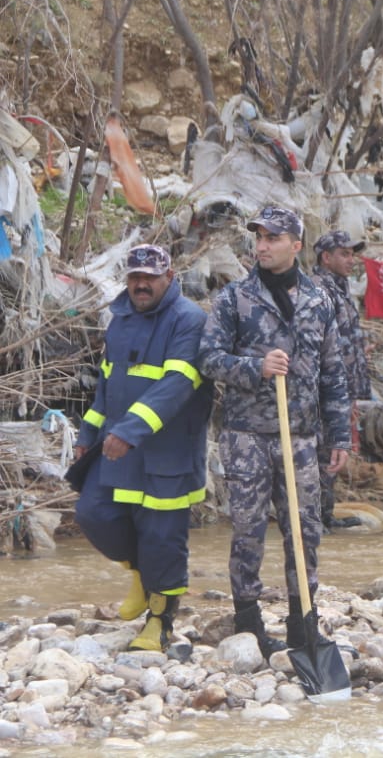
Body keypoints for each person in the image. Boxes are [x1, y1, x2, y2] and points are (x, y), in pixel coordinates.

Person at [197, 205, 351, 657]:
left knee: (305, 528)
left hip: (302, 437)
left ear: (296, 245)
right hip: (247, 435)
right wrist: (254, 368)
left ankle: (304, 622)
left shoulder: (319, 300)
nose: (262, 245)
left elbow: (333, 373)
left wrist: (339, 435)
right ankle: (248, 621)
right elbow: (207, 359)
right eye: (259, 237)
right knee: (247, 528)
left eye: (273, 238)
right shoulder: (235, 298)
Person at [74, 244, 213, 651]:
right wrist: (87, 437)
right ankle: (140, 572)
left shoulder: (189, 319)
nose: (140, 284)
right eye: (134, 277)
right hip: (118, 446)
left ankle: (160, 621)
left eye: (149, 277)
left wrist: (130, 431)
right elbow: (106, 388)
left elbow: (178, 385)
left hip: (166, 452)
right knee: (92, 513)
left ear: (168, 277)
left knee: (162, 536)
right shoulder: (120, 320)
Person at [311, 229, 371, 531]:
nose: (351, 260)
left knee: (331, 452)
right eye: (345, 254)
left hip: (340, 390)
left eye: (352, 254)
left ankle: (324, 514)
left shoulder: (340, 289)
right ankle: (316, 518)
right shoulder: (319, 290)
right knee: (324, 453)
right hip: (323, 391)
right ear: (326, 257)